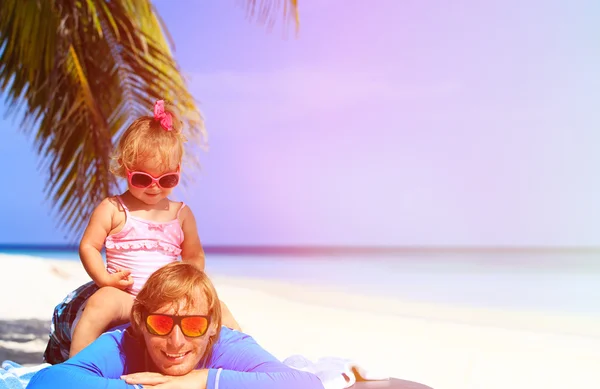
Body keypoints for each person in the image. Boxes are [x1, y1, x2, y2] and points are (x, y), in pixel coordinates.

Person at [43, 100, 240, 364]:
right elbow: (89, 246)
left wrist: (188, 288)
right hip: (127, 296)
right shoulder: (114, 208)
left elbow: (194, 256)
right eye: (142, 179)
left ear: (178, 170)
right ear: (126, 169)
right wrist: (105, 279)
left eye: (167, 179)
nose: (154, 188)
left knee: (219, 309)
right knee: (101, 303)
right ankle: (76, 368)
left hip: (166, 301)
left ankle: (245, 360)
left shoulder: (181, 214)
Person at [29, 262, 324, 389]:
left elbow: (307, 384)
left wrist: (200, 380)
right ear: (141, 323)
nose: (176, 342)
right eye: (160, 323)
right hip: (72, 315)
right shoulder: (124, 342)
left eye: (194, 325)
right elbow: (47, 381)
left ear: (212, 327)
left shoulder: (226, 344)